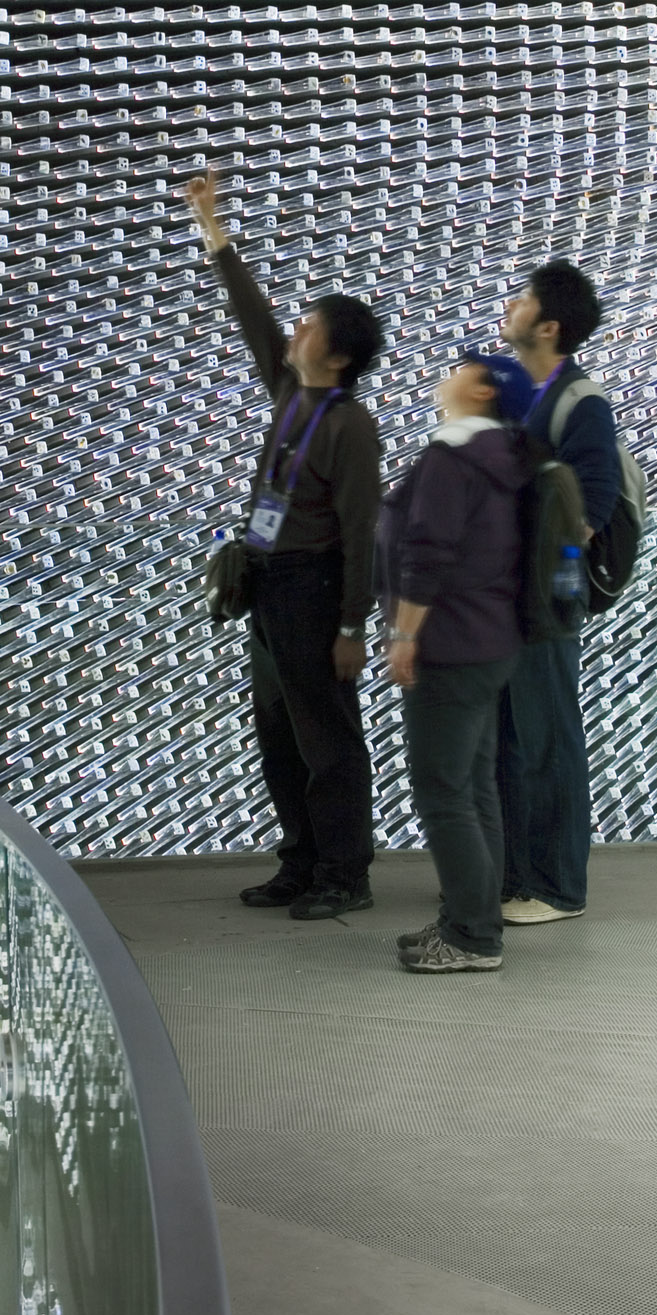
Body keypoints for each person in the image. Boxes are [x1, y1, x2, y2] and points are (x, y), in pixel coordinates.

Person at [183, 174, 384, 919]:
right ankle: (299, 861)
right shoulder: (293, 394)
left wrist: (351, 626)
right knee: (279, 732)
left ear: (339, 355)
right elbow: (253, 319)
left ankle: (345, 873)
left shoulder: (349, 426)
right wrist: (215, 231)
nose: (295, 332)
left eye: (310, 326)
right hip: (270, 583)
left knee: (327, 737)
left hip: (313, 587)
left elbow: (362, 532)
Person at [381, 355, 535, 973]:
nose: (443, 375)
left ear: (481, 390)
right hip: (492, 638)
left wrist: (404, 633)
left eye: (458, 369)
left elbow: (429, 548)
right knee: (474, 788)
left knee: (443, 792)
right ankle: (472, 916)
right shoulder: (507, 457)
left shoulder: (453, 455)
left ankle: (472, 937)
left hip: (447, 640)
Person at [487, 262, 619, 926]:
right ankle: (515, 875)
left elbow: (592, 504)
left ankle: (558, 885)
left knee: (546, 735)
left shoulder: (580, 402)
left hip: (542, 598)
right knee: (506, 736)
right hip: (501, 596)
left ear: (549, 325)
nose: (509, 305)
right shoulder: (517, 397)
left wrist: (545, 572)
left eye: (523, 299)